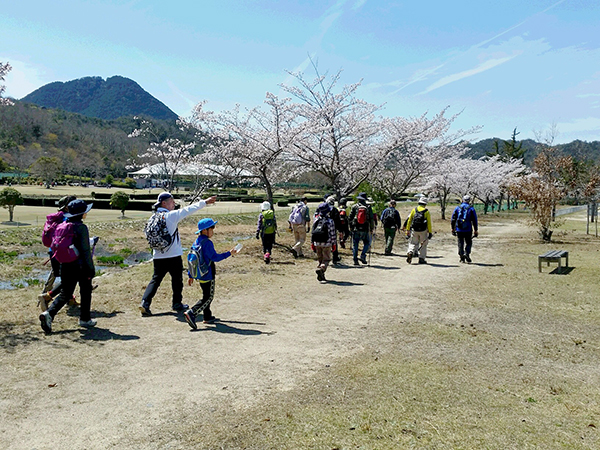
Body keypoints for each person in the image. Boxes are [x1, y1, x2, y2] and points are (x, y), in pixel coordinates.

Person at [139, 192, 216, 316]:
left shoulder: (152, 218)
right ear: (164, 203)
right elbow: (188, 210)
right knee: (177, 280)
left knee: (156, 279)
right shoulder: (170, 216)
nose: (174, 203)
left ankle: (145, 303)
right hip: (173, 255)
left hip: (158, 255)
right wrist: (205, 202)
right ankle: (177, 303)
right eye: (171, 201)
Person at [39, 200, 96, 333]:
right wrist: (91, 268)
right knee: (86, 291)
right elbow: (85, 251)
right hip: (81, 265)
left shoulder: (62, 225)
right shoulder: (81, 227)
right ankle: (85, 319)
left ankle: (49, 314)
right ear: (82, 214)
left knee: (66, 292)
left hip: (65, 264)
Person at [183, 218, 238, 329]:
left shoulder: (197, 241)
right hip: (208, 273)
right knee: (208, 297)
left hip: (199, 273)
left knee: (206, 294)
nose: (213, 230)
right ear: (205, 230)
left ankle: (207, 316)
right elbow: (215, 258)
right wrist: (229, 253)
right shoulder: (207, 243)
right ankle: (192, 313)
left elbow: (192, 260)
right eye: (211, 228)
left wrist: (191, 275)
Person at [38, 195, 78, 311]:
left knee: (66, 279)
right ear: (67, 207)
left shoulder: (55, 218)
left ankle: (70, 300)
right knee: (70, 279)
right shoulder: (67, 219)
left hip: (53, 253)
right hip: (65, 253)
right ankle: (47, 296)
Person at [311, 202, 337, 283]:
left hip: (317, 242)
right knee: (326, 259)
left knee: (320, 258)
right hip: (327, 243)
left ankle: (322, 274)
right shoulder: (330, 221)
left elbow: (313, 231)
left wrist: (312, 242)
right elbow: (332, 233)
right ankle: (321, 269)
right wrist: (334, 243)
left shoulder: (316, 219)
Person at [348, 192, 374, 266]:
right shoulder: (368, 207)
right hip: (365, 228)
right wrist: (371, 228)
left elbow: (350, 217)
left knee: (355, 244)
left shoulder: (354, 207)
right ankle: (363, 255)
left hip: (356, 228)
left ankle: (355, 260)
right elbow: (371, 219)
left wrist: (351, 227)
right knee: (367, 243)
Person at [451, 195, 479, 263]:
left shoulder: (457, 208)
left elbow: (453, 219)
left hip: (459, 229)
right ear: (469, 201)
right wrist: (476, 229)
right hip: (468, 229)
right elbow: (474, 220)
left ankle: (461, 256)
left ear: (462, 200)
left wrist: (453, 228)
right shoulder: (471, 208)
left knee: (460, 242)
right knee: (468, 242)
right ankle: (467, 253)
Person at [405, 197, 432, 264]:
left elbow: (409, 220)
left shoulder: (414, 210)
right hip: (423, 230)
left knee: (413, 242)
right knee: (423, 244)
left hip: (415, 229)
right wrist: (430, 232)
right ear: (425, 204)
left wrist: (407, 229)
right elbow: (429, 223)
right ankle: (421, 258)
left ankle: (410, 252)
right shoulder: (426, 211)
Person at [326, 196, 342, 264]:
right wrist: (340, 230)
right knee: (334, 242)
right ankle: (335, 257)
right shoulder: (335, 210)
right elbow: (338, 221)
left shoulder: (323, 208)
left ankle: (325, 257)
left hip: (324, 228)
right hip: (333, 228)